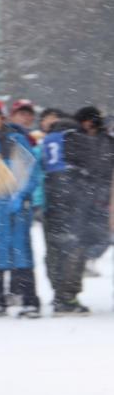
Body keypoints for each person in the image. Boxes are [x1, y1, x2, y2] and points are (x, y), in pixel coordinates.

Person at [0, 99, 41, 318]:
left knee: (21, 254)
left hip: (16, 209)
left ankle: (30, 301)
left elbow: (32, 173)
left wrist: (20, 196)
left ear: (2, 118)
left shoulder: (16, 139)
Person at [41, 116, 91, 314]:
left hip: (51, 199)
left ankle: (58, 293)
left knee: (54, 250)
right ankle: (67, 297)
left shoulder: (48, 139)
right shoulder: (74, 135)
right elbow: (85, 167)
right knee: (74, 247)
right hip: (72, 198)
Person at [74, 106, 114, 275]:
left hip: (102, 194)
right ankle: (81, 262)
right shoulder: (75, 138)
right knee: (80, 232)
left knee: (103, 234)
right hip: (80, 194)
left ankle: (89, 259)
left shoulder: (107, 141)